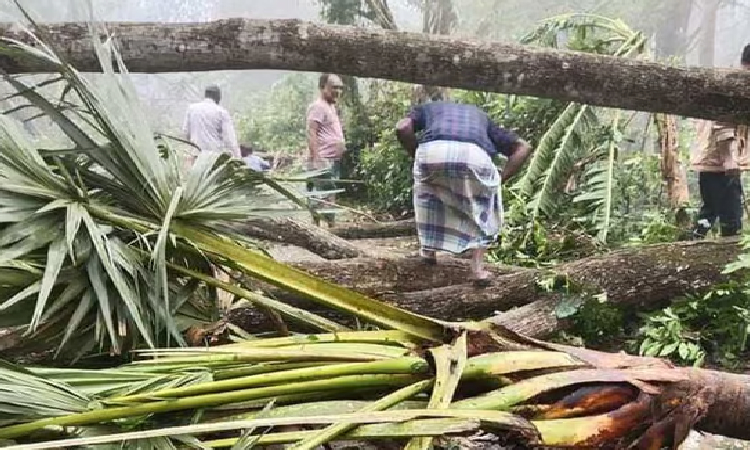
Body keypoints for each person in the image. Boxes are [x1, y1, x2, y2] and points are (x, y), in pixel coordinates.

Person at [396, 99, 531, 287]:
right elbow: (523, 147)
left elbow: (402, 127)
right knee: (484, 204)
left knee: (427, 195)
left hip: (432, 150)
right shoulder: (482, 118)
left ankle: (427, 252)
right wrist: (498, 181)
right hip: (473, 154)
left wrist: (416, 154)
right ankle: (477, 270)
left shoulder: (427, 109)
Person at [690, 45, 750, 239]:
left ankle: (694, 248)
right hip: (720, 163)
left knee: (714, 212)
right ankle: (695, 253)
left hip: (719, 163)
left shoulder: (732, 80)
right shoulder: (734, 84)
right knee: (729, 219)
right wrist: (729, 158)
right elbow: (721, 124)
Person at [306, 73, 346, 227]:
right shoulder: (318, 106)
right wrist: (317, 158)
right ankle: (316, 230)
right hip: (322, 159)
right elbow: (311, 131)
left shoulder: (331, 106)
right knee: (319, 195)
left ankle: (331, 228)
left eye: (340, 88)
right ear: (322, 88)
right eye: (334, 87)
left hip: (331, 159)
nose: (338, 91)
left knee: (330, 194)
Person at [182, 85, 241, 162]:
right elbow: (229, 139)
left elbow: (185, 132)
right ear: (218, 97)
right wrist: (238, 157)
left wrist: (193, 144)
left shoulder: (192, 109)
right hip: (213, 157)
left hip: (196, 155)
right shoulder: (221, 112)